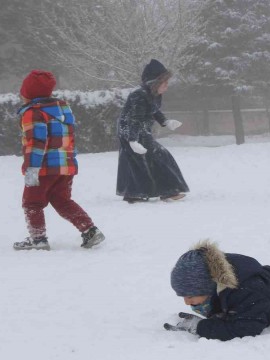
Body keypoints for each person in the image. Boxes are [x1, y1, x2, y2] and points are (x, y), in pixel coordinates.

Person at [13, 70, 105, 251]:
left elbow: (36, 143)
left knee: (32, 203)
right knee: (62, 200)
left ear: (29, 93)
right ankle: (90, 230)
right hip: (66, 166)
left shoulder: (33, 113)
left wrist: (32, 168)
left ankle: (38, 239)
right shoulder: (63, 109)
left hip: (43, 168)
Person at [116, 59, 189, 204]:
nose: (167, 86)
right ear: (155, 82)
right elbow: (134, 119)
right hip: (131, 130)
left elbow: (154, 111)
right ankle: (167, 191)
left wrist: (166, 122)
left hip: (140, 130)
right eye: (165, 83)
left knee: (149, 158)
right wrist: (132, 141)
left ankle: (136, 194)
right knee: (154, 156)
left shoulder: (153, 94)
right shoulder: (139, 95)